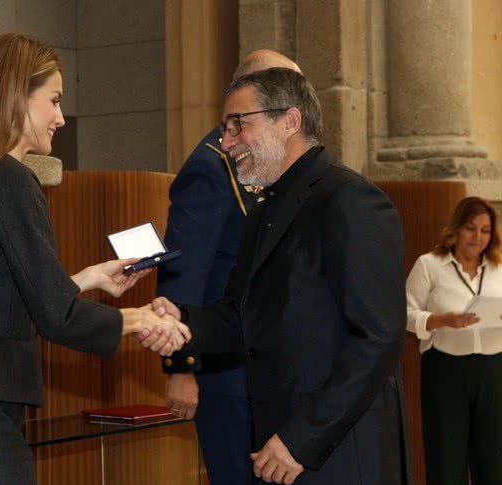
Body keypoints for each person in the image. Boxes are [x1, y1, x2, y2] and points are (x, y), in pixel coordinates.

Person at [0, 33, 190, 485]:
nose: (61, 118)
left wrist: (86, 278)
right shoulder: (12, 180)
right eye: (54, 100)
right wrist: (139, 319)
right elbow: (56, 316)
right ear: (15, 97)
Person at [150, 67, 410, 484]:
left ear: (290, 121)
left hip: (337, 451)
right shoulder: (263, 212)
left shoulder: (350, 199)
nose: (227, 142)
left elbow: (377, 339)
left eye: (238, 124)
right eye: (225, 128)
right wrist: (181, 321)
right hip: (278, 442)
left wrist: (301, 439)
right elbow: (242, 315)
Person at [159, 49, 300, 484]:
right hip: (227, 369)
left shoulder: (269, 159)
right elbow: (185, 270)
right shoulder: (211, 167)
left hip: (267, 362)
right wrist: (181, 368)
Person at [406, 196, 502, 485]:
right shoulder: (429, 265)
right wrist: (442, 320)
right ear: (456, 228)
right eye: (471, 228)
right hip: (445, 371)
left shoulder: (499, 268)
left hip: (493, 371)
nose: (477, 237)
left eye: (485, 230)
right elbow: (405, 315)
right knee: (446, 459)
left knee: (494, 460)